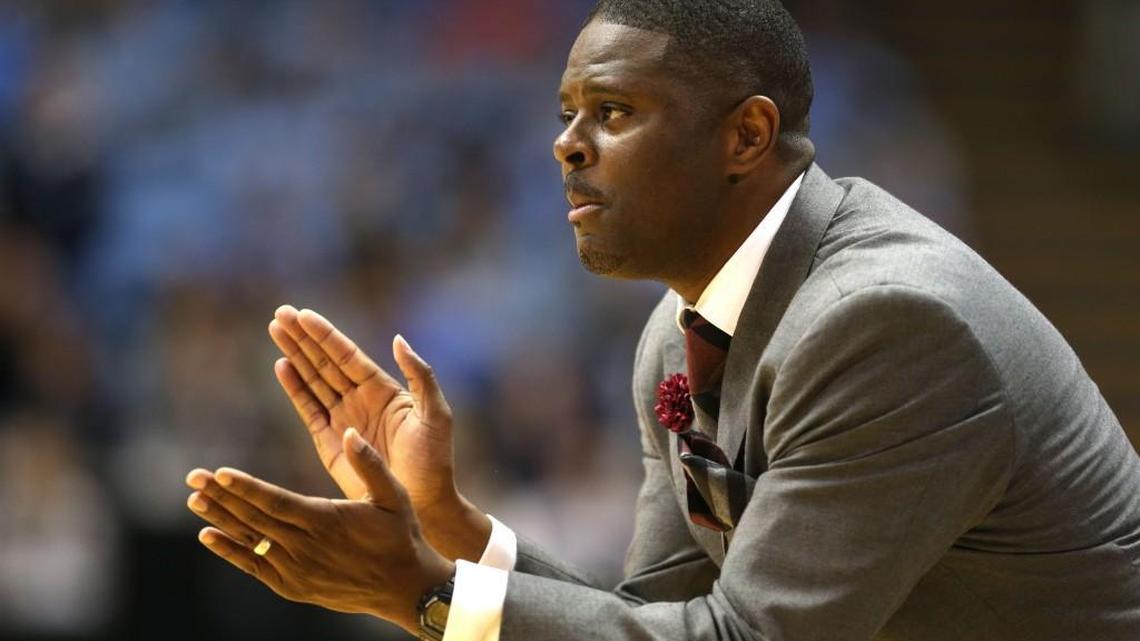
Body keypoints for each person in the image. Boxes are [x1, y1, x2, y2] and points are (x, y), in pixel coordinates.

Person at [185, 1, 1140, 640]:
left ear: (747, 136)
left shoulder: (887, 323)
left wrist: (422, 592)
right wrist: (453, 528)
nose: (565, 143)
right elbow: (656, 613)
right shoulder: (681, 328)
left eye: (611, 110)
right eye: (566, 111)